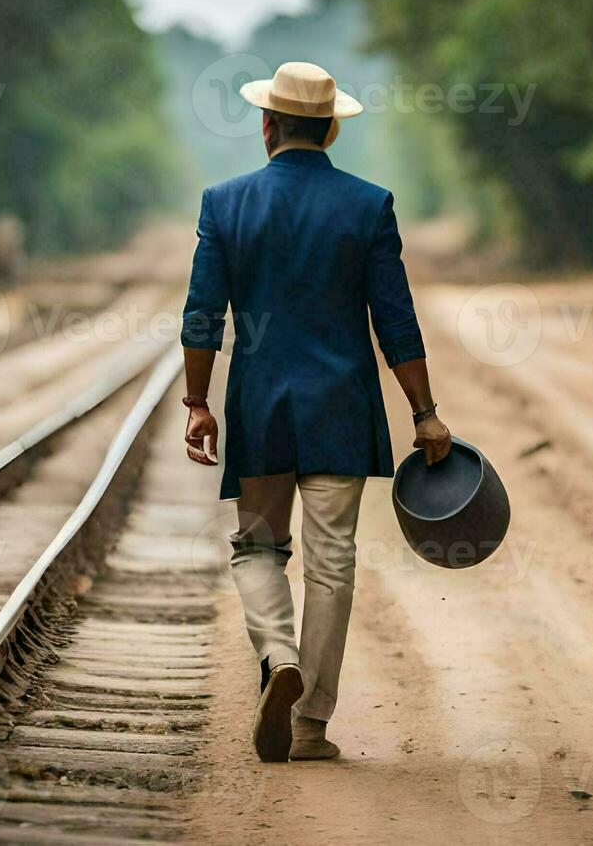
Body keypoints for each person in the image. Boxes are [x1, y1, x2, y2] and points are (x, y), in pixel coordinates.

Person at [179, 62, 452, 763]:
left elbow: (202, 317)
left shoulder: (225, 203)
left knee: (257, 548)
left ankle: (277, 654)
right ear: (330, 128)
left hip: (262, 407)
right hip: (340, 410)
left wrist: (197, 404)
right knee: (332, 564)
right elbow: (396, 320)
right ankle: (309, 725)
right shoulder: (368, 205)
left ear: (267, 124)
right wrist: (423, 412)